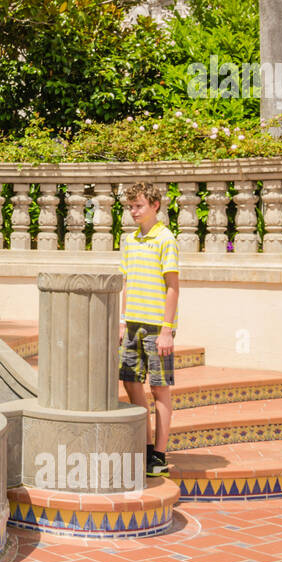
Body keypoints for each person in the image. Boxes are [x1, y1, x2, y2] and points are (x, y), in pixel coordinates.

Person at [118, 182, 180, 477]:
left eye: (138, 206)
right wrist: (122, 319)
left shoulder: (166, 239)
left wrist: (167, 329)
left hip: (157, 326)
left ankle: (159, 454)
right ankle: (143, 448)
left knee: (159, 388)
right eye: (130, 206)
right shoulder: (129, 241)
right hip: (132, 325)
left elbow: (172, 288)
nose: (133, 211)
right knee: (130, 382)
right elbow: (126, 283)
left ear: (155, 206)